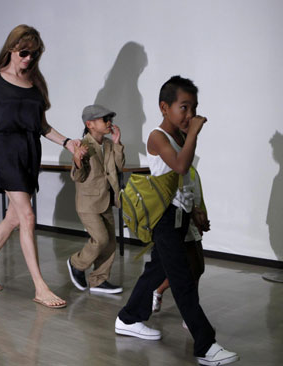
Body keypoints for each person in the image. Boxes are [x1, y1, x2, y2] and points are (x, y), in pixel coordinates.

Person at [114, 76, 239, 365]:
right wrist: (194, 133)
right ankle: (205, 346)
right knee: (181, 279)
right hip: (164, 217)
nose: (190, 115)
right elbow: (181, 164)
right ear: (164, 107)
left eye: (193, 108)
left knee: (158, 270)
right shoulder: (158, 136)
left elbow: (185, 177)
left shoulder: (181, 136)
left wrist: (195, 207)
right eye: (184, 107)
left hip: (179, 214)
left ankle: (128, 318)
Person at [0, 25, 79, 309]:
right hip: (6, 151)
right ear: (12, 49)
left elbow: (42, 127)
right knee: (27, 216)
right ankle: (40, 287)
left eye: (34, 55)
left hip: (29, 153)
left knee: (13, 218)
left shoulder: (36, 85)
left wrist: (68, 143)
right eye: (24, 52)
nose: (28, 59)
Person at [67, 105, 125, 294]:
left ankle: (98, 280)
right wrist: (77, 160)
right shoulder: (82, 145)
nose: (109, 123)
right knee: (100, 239)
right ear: (89, 124)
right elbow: (78, 177)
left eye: (110, 119)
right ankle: (76, 263)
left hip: (107, 199)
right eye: (104, 119)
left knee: (110, 243)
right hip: (88, 203)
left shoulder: (108, 144)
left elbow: (118, 167)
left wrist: (117, 143)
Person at [152, 168, 208, 316]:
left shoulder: (192, 172)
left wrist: (201, 217)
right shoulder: (171, 169)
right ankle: (191, 315)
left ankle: (158, 290)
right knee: (190, 270)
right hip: (178, 224)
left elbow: (198, 198)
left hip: (191, 223)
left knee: (197, 268)